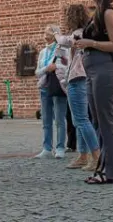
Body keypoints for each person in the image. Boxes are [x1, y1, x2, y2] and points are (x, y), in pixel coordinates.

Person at [73, 0, 113, 185]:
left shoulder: (109, 12)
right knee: (98, 121)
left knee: (106, 121)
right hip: (93, 70)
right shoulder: (96, 14)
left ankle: (109, 171)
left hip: (105, 69)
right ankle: (104, 167)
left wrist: (91, 43)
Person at [57, 3, 101, 171]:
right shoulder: (85, 32)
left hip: (77, 79)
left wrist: (55, 33)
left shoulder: (77, 34)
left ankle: (96, 157)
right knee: (78, 120)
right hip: (81, 78)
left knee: (81, 120)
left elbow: (62, 40)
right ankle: (83, 155)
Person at [34, 24, 69, 159]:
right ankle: (47, 148)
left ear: (54, 34)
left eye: (47, 32)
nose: (44, 34)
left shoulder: (62, 50)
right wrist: (46, 69)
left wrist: (57, 67)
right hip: (44, 86)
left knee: (60, 119)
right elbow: (37, 72)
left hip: (58, 86)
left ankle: (60, 147)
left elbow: (66, 67)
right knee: (46, 120)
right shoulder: (43, 52)